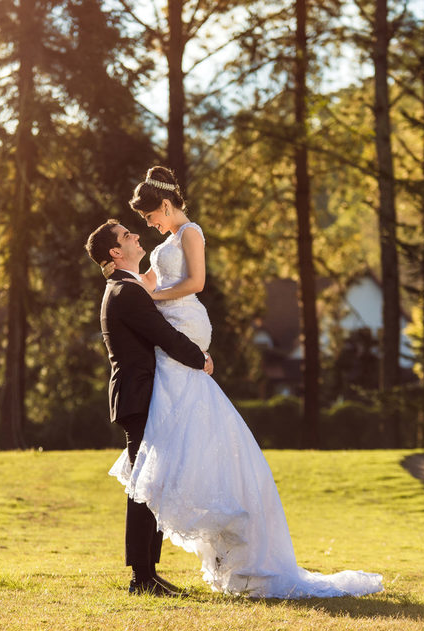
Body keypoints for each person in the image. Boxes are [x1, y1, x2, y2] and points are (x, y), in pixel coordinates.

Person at [106, 166, 384, 599]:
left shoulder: (191, 233)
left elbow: (196, 282)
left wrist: (150, 298)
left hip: (182, 324)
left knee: (172, 431)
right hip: (170, 335)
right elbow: (142, 283)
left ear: (165, 204)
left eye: (150, 216)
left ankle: (153, 567)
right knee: (168, 442)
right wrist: (126, 283)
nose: (149, 224)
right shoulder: (162, 248)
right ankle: (150, 566)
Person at [84, 218, 215, 597]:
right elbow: (164, 335)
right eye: (127, 236)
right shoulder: (126, 291)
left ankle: (147, 574)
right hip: (138, 397)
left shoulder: (126, 287)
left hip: (140, 396)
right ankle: (141, 577)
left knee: (150, 484)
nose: (137, 236)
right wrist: (200, 358)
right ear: (115, 252)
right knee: (144, 485)